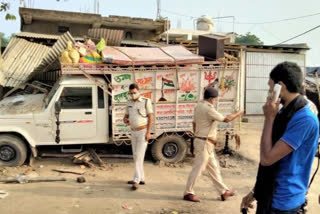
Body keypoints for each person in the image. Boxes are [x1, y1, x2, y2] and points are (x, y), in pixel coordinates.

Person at [240, 62, 319, 214]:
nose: (269, 93)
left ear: (280, 87)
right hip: (270, 195)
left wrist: (269, 118)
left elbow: (267, 158)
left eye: (271, 88)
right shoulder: (285, 113)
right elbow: (271, 164)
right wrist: (256, 191)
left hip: (283, 202)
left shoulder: (304, 119)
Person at [183, 87, 243, 202]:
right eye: (215, 99)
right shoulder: (208, 109)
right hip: (205, 142)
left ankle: (223, 191)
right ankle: (188, 192)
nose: (215, 101)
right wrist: (239, 113)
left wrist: (197, 135)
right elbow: (226, 119)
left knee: (214, 168)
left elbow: (194, 123)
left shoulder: (198, 106)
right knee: (198, 168)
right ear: (211, 99)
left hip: (204, 142)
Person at [123, 83, 153, 190]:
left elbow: (150, 117)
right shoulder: (129, 102)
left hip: (143, 131)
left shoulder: (145, 101)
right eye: (131, 93)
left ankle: (136, 180)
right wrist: (125, 120)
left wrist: (148, 132)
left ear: (139, 91)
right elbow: (125, 116)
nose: (133, 95)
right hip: (133, 131)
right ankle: (141, 178)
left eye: (134, 93)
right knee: (136, 156)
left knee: (138, 155)